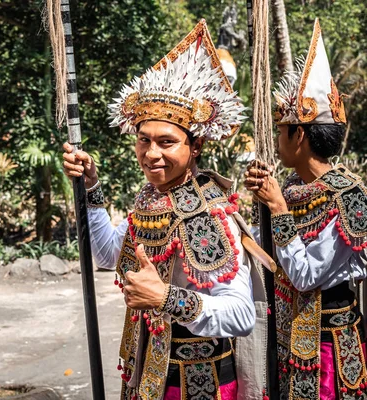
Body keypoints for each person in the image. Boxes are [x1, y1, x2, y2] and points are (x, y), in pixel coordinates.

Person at [64, 19, 270, 400]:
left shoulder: (206, 214)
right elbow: (110, 254)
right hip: (149, 369)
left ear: (195, 148)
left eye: (166, 142)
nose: (151, 154)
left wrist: (166, 299)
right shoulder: (152, 197)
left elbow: (240, 314)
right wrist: (91, 186)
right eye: (143, 140)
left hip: (196, 382)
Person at [244, 18, 367, 400]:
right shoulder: (295, 187)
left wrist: (278, 208)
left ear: (299, 135)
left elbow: (305, 275)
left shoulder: (348, 195)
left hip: (329, 343)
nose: (278, 138)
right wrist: (262, 206)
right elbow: (272, 261)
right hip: (289, 331)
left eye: (282, 130)